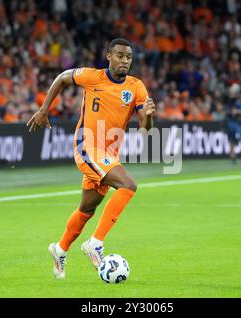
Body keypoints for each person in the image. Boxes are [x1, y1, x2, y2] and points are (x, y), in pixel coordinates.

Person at [26, 38, 156, 279]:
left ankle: (60, 249)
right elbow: (63, 77)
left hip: (108, 153)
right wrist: (44, 109)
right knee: (129, 185)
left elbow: (146, 130)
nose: (124, 60)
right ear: (108, 56)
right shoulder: (92, 77)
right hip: (87, 147)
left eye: (128, 57)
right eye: (119, 55)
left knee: (87, 209)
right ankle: (96, 243)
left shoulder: (137, 87)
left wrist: (148, 117)